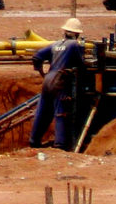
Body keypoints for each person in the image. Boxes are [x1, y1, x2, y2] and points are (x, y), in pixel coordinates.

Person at [29, 18, 86, 150]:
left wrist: (40, 72)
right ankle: (60, 145)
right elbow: (81, 65)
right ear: (77, 34)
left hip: (48, 79)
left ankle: (34, 141)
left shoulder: (55, 44)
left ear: (65, 31)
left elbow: (37, 57)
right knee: (61, 112)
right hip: (60, 80)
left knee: (43, 110)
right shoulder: (74, 45)